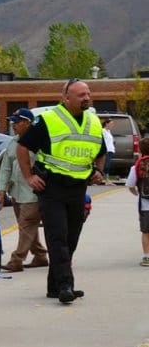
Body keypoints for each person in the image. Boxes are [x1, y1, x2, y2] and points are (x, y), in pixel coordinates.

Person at [17, 79, 106, 304]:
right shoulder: (48, 119)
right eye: (81, 95)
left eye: (88, 93)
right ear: (66, 98)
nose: (86, 98)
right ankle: (66, 285)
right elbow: (22, 146)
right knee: (58, 237)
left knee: (71, 238)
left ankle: (54, 286)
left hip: (78, 188)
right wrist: (29, 176)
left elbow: (101, 150)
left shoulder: (93, 121)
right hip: (51, 188)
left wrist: (99, 170)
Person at [0, 108, 48, 272]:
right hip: (17, 191)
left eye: (17, 122)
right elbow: (5, 167)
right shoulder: (13, 142)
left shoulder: (40, 141)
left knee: (27, 224)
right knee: (26, 225)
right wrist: (2, 190)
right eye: (13, 122)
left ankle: (16, 260)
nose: (14, 125)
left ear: (27, 123)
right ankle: (40, 256)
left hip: (33, 192)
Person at [125, 137, 149, 267]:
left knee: (146, 232)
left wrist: (137, 194)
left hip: (145, 203)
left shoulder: (137, 165)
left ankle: (146, 257)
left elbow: (130, 185)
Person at [102, 118, 115, 183]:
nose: (112, 125)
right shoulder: (103, 131)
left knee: (108, 165)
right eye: (111, 124)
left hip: (110, 150)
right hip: (106, 150)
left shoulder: (109, 131)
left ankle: (106, 179)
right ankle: (105, 179)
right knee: (106, 165)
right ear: (106, 124)